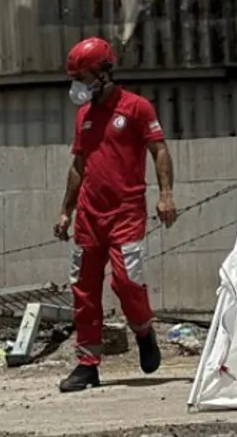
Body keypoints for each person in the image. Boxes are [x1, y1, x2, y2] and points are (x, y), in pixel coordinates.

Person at [53, 37, 178, 393]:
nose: (79, 84)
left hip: (126, 213)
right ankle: (87, 365)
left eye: (84, 75)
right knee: (84, 290)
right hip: (89, 217)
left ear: (105, 71)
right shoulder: (84, 117)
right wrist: (66, 211)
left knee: (126, 282)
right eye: (75, 77)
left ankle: (142, 330)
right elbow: (78, 165)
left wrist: (166, 195)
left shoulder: (136, 108)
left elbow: (159, 150)